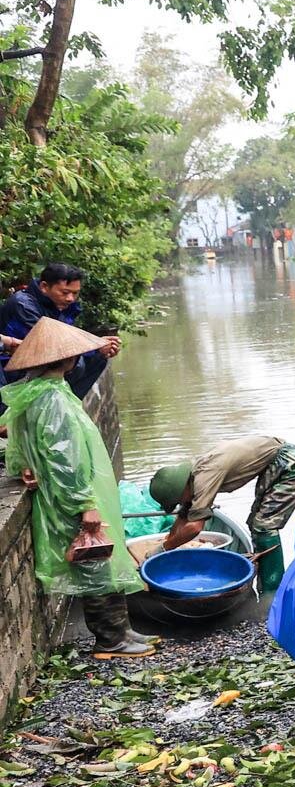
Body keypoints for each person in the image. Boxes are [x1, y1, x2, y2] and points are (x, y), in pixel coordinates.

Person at [1, 318, 149, 657]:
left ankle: (122, 630)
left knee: (103, 557)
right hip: (72, 496)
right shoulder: (53, 400)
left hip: (63, 494)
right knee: (95, 561)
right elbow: (65, 458)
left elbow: (17, 446)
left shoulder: (32, 394)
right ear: (67, 360)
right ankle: (111, 638)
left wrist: (23, 467)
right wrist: (86, 505)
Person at [148, 435, 295, 587]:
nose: (180, 503)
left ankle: (272, 592)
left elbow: (195, 527)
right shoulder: (192, 475)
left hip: (291, 464)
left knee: (264, 526)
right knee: (255, 522)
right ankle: (264, 579)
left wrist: (165, 548)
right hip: (274, 464)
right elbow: (185, 512)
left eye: (178, 500)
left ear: (181, 490)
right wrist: (169, 539)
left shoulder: (204, 477)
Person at [0, 263, 122, 398]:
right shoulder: (23, 305)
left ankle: (67, 402)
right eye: (65, 292)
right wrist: (96, 346)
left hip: (42, 363)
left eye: (75, 293)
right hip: (15, 368)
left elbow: (66, 338)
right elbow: (50, 346)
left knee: (98, 359)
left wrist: (99, 346)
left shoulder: (59, 304)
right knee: (81, 361)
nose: (70, 298)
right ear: (44, 287)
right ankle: (56, 403)